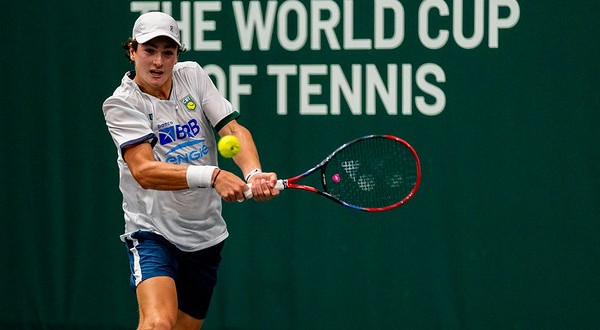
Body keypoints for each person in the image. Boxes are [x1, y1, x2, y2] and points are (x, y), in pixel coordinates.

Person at [102, 11, 279, 330]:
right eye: (148, 50)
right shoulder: (121, 104)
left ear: (177, 55)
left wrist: (253, 174)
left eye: (167, 52)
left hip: (204, 234)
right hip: (152, 229)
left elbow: (233, 130)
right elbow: (143, 170)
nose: (158, 61)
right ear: (132, 51)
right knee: (159, 324)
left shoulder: (193, 76)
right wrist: (213, 176)